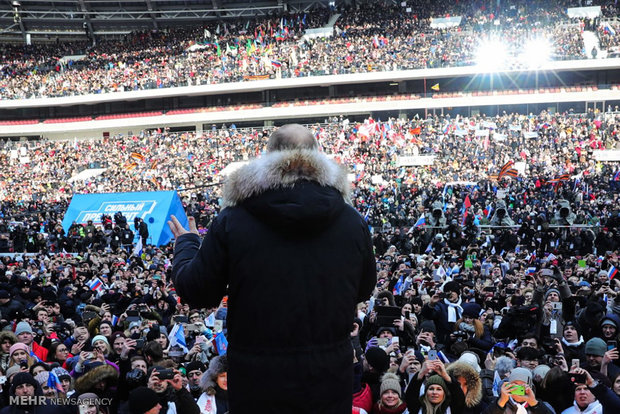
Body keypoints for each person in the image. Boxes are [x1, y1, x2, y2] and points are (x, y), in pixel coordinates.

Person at [168, 123, 377, 412]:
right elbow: (364, 288)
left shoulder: (233, 219)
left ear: (267, 157)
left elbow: (197, 291)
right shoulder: (351, 221)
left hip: (258, 382)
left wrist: (187, 245)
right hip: (327, 379)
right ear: (318, 157)